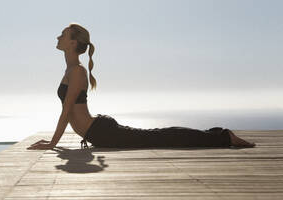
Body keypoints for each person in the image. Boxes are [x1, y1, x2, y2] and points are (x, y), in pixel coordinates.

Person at [27, 23, 256, 150]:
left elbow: (67, 111)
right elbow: (68, 112)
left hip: (102, 132)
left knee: (159, 137)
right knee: (157, 136)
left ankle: (223, 137)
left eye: (63, 35)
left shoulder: (77, 72)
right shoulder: (71, 71)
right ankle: (220, 135)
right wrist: (54, 143)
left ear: (73, 43)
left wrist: (52, 144)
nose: (58, 37)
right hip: (99, 132)